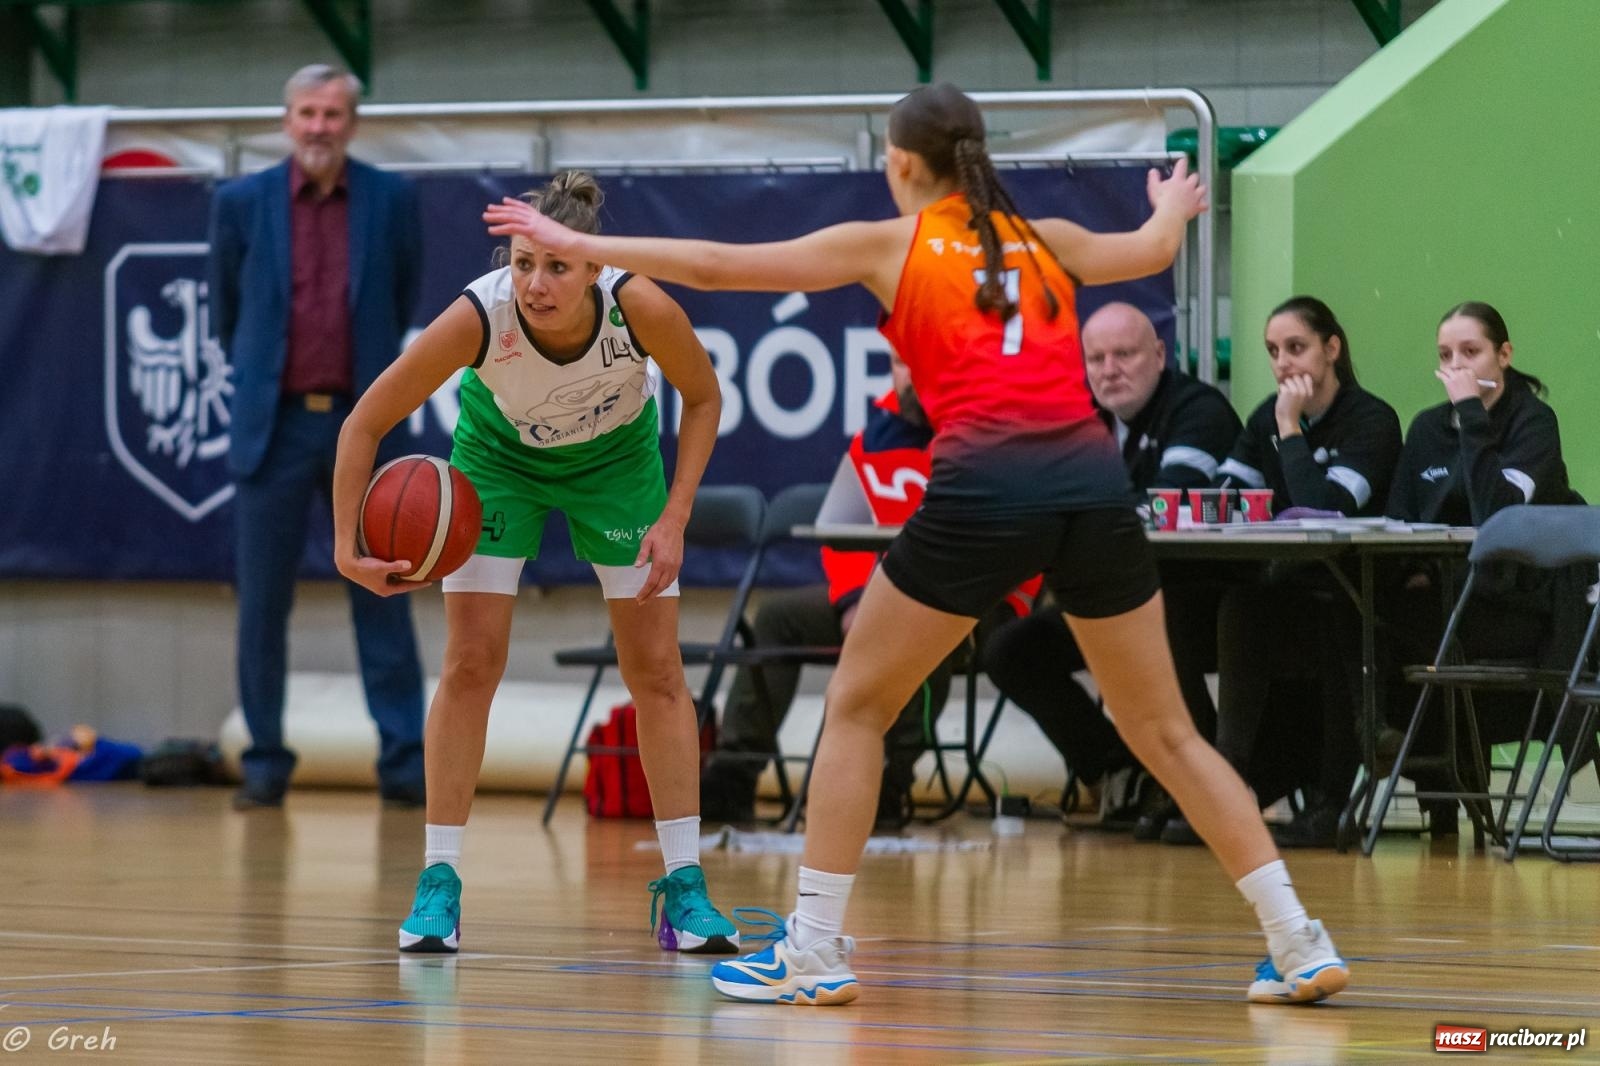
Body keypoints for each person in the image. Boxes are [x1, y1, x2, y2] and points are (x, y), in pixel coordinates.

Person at [484, 83, 1349, 1006]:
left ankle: (813, 949)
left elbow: (716, 265)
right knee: (1167, 731)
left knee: (857, 704)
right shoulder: (1045, 236)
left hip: (985, 491)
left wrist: (583, 247)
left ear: (899, 163)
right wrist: (1172, 205)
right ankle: (1298, 938)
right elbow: (1152, 249)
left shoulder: (892, 244)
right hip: (1094, 490)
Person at [332, 171, 740, 957]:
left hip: (618, 466)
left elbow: (704, 397)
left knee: (657, 671)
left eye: (556, 266)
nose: (536, 284)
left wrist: (675, 516)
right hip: (499, 463)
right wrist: (347, 548)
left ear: (593, 267)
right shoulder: (479, 316)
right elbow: (363, 424)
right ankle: (439, 881)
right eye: (523, 264)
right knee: (470, 663)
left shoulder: (639, 305)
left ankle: (685, 886)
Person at [208, 64, 426, 811]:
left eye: (332, 114)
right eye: (307, 112)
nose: (318, 127)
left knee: (383, 594)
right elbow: (227, 315)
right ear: (286, 119)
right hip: (272, 429)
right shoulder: (240, 203)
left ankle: (404, 763)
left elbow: (402, 299)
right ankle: (264, 763)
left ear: (352, 124)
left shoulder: (392, 200)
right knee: (262, 607)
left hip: (363, 427)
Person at [980, 301, 1240, 828]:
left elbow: (1163, 505)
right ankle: (1119, 771)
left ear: (1160, 355)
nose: (1109, 370)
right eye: (1096, 359)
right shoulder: (1081, 419)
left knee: (1161, 626)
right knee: (1013, 650)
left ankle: (1204, 789)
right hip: (1118, 599)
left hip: (1205, 599)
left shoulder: (1198, 410)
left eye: (1124, 354)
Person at [700, 354, 956, 831]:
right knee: (778, 617)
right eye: (900, 362)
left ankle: (887, 779)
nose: (910, 373)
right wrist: (854, 599)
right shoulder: (875, 437)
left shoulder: (980, 435)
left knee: (922, 625)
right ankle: (733, 774)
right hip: (883, 594)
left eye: (919, 357)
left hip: (961, 599)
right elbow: (842, 530)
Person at [1183, 297, 1402, 849]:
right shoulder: (1265, 417)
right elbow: (1225, 497)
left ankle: (1332, 802)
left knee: (1333, 617)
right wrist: (1274, 432)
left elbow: (1323, 512)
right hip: (1285, 587)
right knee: (1237, 607)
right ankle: (1227, 787)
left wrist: (1290, 429)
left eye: (1296, 348)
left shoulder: (1371, 420)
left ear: (1332, 349)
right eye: (1273, 351)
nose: (1282, 363)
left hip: (1356, 595)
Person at [1379, 301, 1577, 829]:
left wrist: (1471, 414)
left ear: (1503, 355)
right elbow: (1398, 520)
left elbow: (1498, 516)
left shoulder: (1533, 422)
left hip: (1516, 603)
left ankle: (1439, 778)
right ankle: (1381, 743)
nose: (1457, 366)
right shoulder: (1426, 429)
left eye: (1471, 352)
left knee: (1405, 626)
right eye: (1446, 355)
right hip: (1440, 591)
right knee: (1357, 611)